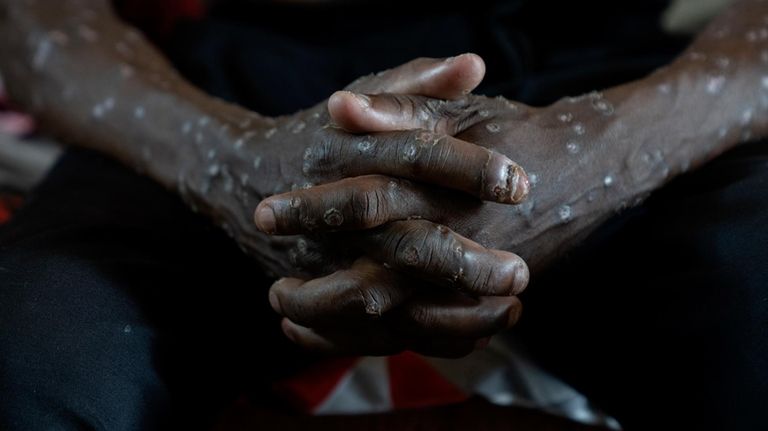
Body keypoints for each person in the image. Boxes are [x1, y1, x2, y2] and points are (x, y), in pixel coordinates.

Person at [0, 0, 765, 430]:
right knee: (27, 363)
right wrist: (225, 160)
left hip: (626, 89)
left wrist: (604, 155)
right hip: (214, 95)